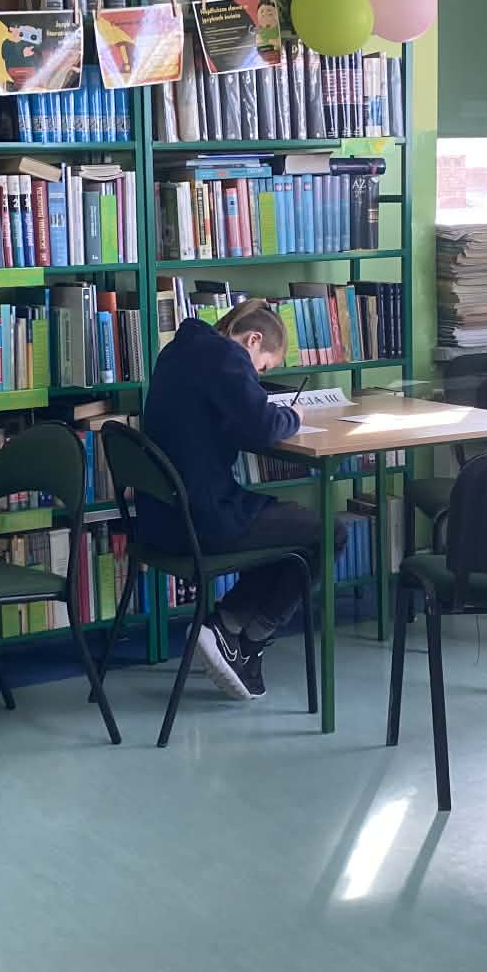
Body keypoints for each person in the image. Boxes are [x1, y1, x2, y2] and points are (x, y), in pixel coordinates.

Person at [137, 300, 341, 700]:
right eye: (263, 368)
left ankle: (229, 628)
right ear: (253, 340)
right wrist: (294, 416)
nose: (258, 376)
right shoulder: (226, 356)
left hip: (160, 518)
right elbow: (264, 425)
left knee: (288, 527)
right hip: (202, 519)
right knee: (329, 534)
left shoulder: (180, 349)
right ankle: (246, 637)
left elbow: (214, 415)